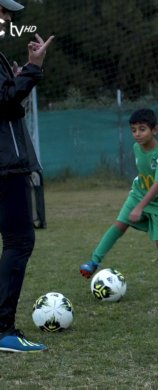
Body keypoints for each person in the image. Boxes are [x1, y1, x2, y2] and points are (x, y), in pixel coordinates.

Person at [79, 109, 158, 296]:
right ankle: (93, 263)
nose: (137, 134)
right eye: (133, 130)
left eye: (142, 129)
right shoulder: (137, 147)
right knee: (119, 225)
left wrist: (140, 208)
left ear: (155, 130)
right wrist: (137, 202)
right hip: (138, 194)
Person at [0, 0, 54, 353]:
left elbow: (10, 106)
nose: (6, 18)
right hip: (5, 167)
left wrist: (22, 77)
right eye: (1, 11)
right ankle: (3, 330)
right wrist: (32, 70)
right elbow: (4, 102)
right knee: (19, 242)